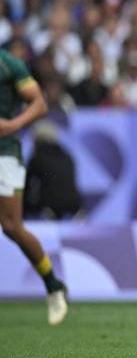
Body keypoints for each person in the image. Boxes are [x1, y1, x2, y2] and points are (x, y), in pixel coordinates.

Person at [0, 48, 67, 324]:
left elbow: (39, 103)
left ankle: (53, 285)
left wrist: (12, 126)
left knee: (12, 226)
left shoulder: (8, 65)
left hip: (4, 152)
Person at [24, 120, 82, 219]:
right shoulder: (67, 156)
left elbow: (26, 184)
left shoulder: (37, 157)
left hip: (49, 208)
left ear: (36, 139)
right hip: (74, 206)